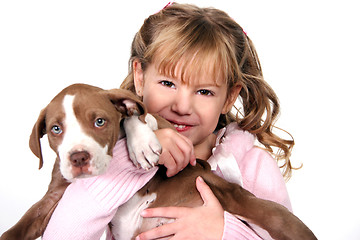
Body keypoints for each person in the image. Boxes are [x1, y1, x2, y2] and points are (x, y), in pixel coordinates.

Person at [43, 3, 295, 239]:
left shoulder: (253, 167)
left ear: (229, 97)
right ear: (139, 77)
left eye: (204, 91)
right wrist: (127, 160)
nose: (182, 106)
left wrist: (223, 231)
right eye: (167, 83)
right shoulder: (104, 159)